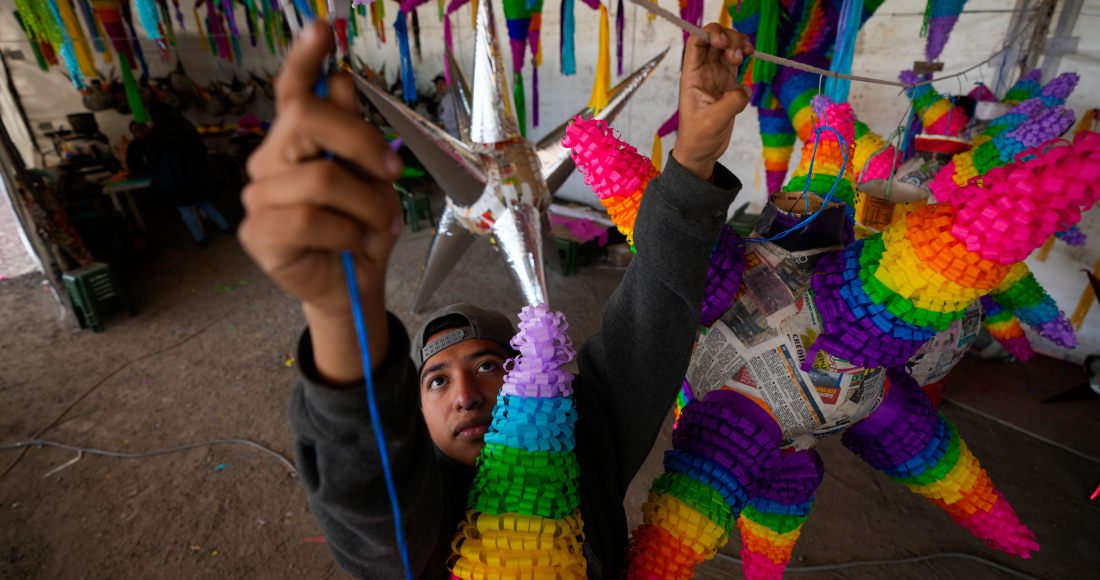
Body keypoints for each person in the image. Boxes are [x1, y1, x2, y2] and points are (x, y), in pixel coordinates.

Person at [239, 21, 754, 580]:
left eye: (488, 366)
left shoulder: (587, 441)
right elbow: (365, 498)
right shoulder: (416, 519)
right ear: (413, 416)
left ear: (523, 379)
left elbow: (654, 309)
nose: (465, 395)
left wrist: (693, 160)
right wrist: (340, 313)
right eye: (436, 380)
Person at [145, 101, 232, 248]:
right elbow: (202, 148)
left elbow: (151, 159)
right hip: (196, 171)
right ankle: (225, 226)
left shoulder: (156, 133)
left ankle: (200, 239)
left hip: (175, 176)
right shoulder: (186, 125)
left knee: (185, 208)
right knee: (202, 201)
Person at [434, 73, 460, 139]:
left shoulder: (452, 99)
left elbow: (462, 122)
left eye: (443, 83)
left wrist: (444, 126)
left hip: (456, 137)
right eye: (438, 83)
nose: (440, 86)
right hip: (448, 136)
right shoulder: (445, 98)